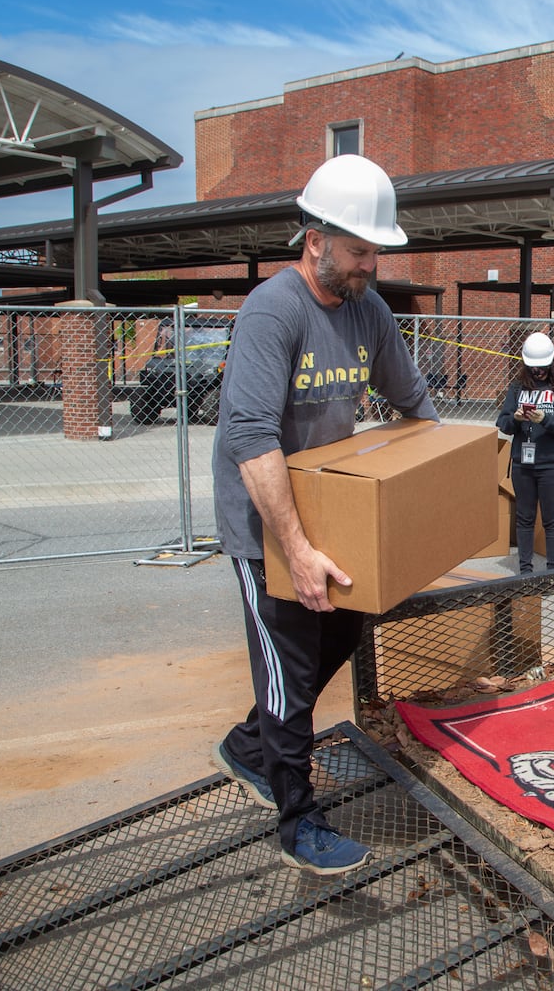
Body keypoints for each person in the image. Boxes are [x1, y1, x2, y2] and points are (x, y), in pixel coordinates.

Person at [210, 154, 438, 875]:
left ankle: (249, 747)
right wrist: (296, 549)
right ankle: (297, 821)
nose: (370, 265)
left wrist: (441, 491)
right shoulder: (272, 311)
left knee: (340, 636)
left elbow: (415, 404)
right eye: (358, 250)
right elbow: (250, 438)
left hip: (331, 511)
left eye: (376, 251)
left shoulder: (368, 310)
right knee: (289, 668)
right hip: (266, 526)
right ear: (316, 240)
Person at [496, 332, 554, 573]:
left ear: (551, 364)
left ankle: (553, 571)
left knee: (551, 519)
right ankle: (525, 570)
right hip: (523, 463)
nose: (538, 373)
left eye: (542, 368)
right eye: (533, 368)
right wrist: (515, 418)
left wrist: (546, 419)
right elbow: (502, 423)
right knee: (525, 518)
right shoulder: (516, 388)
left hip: (552, 463)